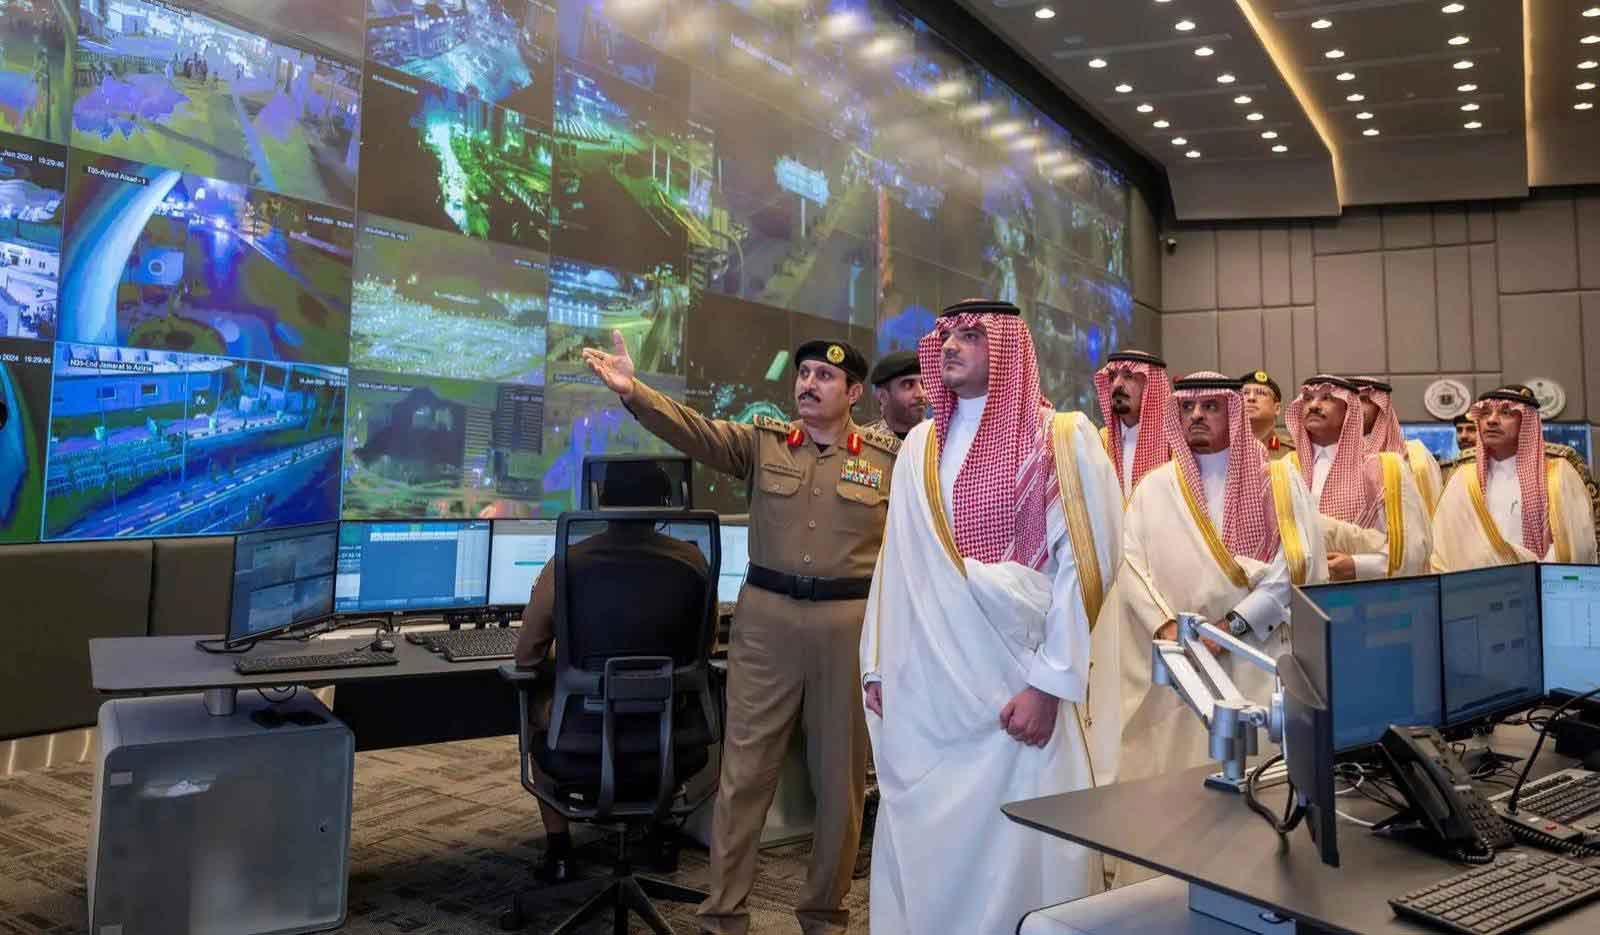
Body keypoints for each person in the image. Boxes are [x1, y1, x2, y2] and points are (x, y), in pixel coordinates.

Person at [583, 330, 896, 935]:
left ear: (854, 391)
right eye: (803, 373)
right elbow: (694, 431)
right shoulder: (763, 443)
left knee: (841, 783)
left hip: (849, 630)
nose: (809, 383)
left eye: (825, 377)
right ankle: (723, 915)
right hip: (766, 626)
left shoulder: (889, 460)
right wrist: (634, 392)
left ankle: (824, 916)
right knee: (745, 776)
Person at [859, 299, 1121, 934]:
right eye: (946, 336)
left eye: (972, 336)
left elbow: (1085, 570)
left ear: (1007, 348)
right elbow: (897, 565)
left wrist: (1050, 685)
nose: (951, 347)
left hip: (1016, 690)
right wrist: (876, 665)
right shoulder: (919, 444)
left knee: (1020, 848)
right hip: (930, 695)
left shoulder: (1061, 438)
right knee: (927, 851)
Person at [1092, 373, 1324, 809]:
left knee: (1256, 786)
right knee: (1172, 794)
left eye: (1210, 407)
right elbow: (1130, 566)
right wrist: (1165, 627)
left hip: (1255, 655)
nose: (1196, 415)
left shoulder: (1280, 480)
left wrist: (1228, 628)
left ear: (1233, 414)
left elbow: (1295, 566)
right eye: (1187, 408)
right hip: (1179, 664)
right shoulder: (1154, 488)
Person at [513, 461, 707, 883]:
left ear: (600, 503)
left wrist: (567, 670)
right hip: (673, 743)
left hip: (580, 742)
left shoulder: (566, 563)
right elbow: (701, 653)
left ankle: (560, 852)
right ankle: (662, 837)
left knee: (534, 713)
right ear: (664, 507)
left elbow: (525, 657)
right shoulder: (694, 563)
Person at [1431, 385, 1597, 570]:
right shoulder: (1462, 479)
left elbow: (1575, 546)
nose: (1492, 420)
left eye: (1506, 413)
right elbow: (1443, 548)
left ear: (1526, 422)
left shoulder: (1558, 475)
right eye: (1485, 413)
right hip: (1475, 589)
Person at [1286, 375, 1431, 580]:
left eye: (1327, 398)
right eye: (1308, 398)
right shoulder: (1285, 469)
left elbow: (1412, 547)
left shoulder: (1384, 468)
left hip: (1364, 595)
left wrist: (1357, 565)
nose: (1314, 405)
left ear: (1350, 411)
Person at [1351, 376, 1444, 514]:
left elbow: (1433, 510)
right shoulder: (1334, 456)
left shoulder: (1415, 455)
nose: (1356, 407)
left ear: (1381, 408)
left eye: (1364, 400)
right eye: (1351, 401)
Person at [1093, 349, 1175, 502]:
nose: (1116, 384)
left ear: (1150, 386)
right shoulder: (1100, 441)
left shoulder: (1174, 443)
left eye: (1128, 376)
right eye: (1112, 377)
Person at [864, 350, 925, 440]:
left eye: (923, 384)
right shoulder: (866, 442)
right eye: (908, 385)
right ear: (883, 397)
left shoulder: (941, 440)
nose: (921, 394)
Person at [1240, 370, 1295, 461]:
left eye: (1261, 393)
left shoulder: (1295, 451)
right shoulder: (1221, 448)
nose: (1251, 398)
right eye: (1245, 393)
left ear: (1277, 408)